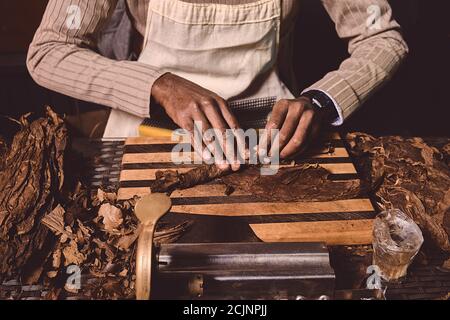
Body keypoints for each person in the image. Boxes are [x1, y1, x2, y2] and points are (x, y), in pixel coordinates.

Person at [27, 0, 408, 171]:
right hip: (148, 127)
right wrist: (158, 84)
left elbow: (381, 39)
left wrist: (322, 101)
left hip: (272, 135)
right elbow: (50, 51)